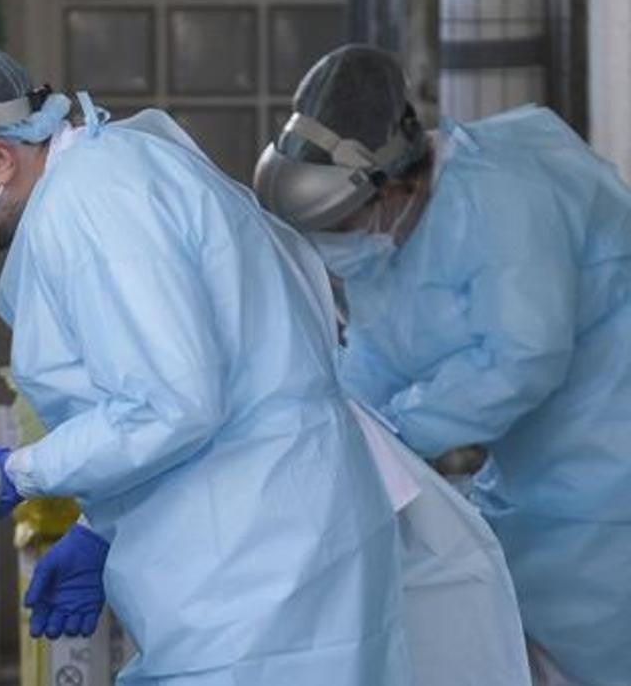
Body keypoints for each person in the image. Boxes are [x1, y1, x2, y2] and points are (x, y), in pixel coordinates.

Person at [0, 39, 411, 685]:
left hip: (261, 565)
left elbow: (171, 404)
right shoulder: (103, 181)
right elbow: (171, 379)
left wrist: (22, 472)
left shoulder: (93, 208)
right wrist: (100, 526)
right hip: (255, 545)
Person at [254, 44, 631, 686]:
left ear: (396, 179)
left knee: (595, 635)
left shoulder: (504, 196)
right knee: (510, 612)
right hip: (536, 471)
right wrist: (330, 432)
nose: (338, 247)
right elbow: (374, 356)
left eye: (343, 224)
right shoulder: (388, 237)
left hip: (609, 459)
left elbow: (523, 357)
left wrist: (397, 434)